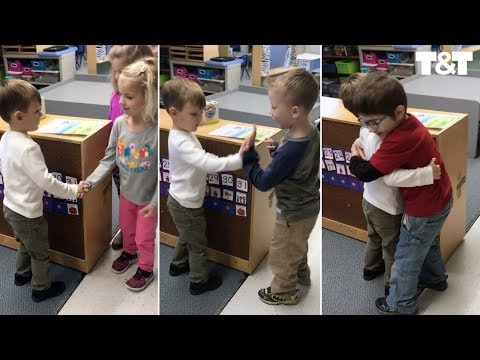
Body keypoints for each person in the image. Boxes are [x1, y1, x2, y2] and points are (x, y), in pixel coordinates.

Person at [349, 71, 453, 314]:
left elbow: (367, 172)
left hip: (423, 209)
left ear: (397, 112)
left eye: (374, 122)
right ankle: (436, 279)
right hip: (440, 199)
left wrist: (354, 154)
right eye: (364, 123)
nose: (371, 129)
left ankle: (401, 304)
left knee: (405, 258)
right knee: (428, 245)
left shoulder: (399, 139)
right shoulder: (408, 122)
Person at [0, 79, 87, 302]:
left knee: (24, 244)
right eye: (37, 111)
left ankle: (22, 274)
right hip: (28, 214)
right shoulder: (29, 148)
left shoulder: (6, 138)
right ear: (19, 116)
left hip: (10, 207)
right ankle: (40, 288)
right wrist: (73, 190)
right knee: (39, 252)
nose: (41, 115)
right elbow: (47, 182)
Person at [241, 69, 320, 305]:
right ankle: (302, 276)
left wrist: (248, 158)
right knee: (297, 245)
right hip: (308, 206)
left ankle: (283, 292)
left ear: (294, 111)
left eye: (274, 107)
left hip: (292, 212)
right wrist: (278, 149)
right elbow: (300, 163)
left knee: (282, 253)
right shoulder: (309, 130)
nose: (270, 112)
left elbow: (264, 182)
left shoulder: (292, 148)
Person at [162, 77, 245, 295]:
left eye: (201, 112)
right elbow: (208, 163)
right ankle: (198, 282)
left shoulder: (183, 132)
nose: (199, 119)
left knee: (186, 234)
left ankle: (177, 264)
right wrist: (239, 159)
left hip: (181, 200)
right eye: (193, 114)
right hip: (186, 204)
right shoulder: (182, 141)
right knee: (197, 244)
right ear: (173, 113)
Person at [83, 58, 158, 291]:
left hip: (148, 201)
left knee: (145, 237)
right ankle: (129, 253)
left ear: (147, 96)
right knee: (127, 228)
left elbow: (164, 174)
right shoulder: (118, 124)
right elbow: (109, 158)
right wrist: (92, 180)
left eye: (129, 96)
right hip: (126, 194)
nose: (121, 101)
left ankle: (146, 268)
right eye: (120, 94)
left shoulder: (155, 132)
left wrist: (155, 202)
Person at [107, 45, 154, 250]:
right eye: (115, 70)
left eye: (122, 70)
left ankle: (139, 234)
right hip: (120, 160)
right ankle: (126, 230)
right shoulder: (116, 96)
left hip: (138, 161)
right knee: (124, 198)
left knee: (140, 199)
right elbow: (111, 123)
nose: (117, 76)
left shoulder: (145, 105)